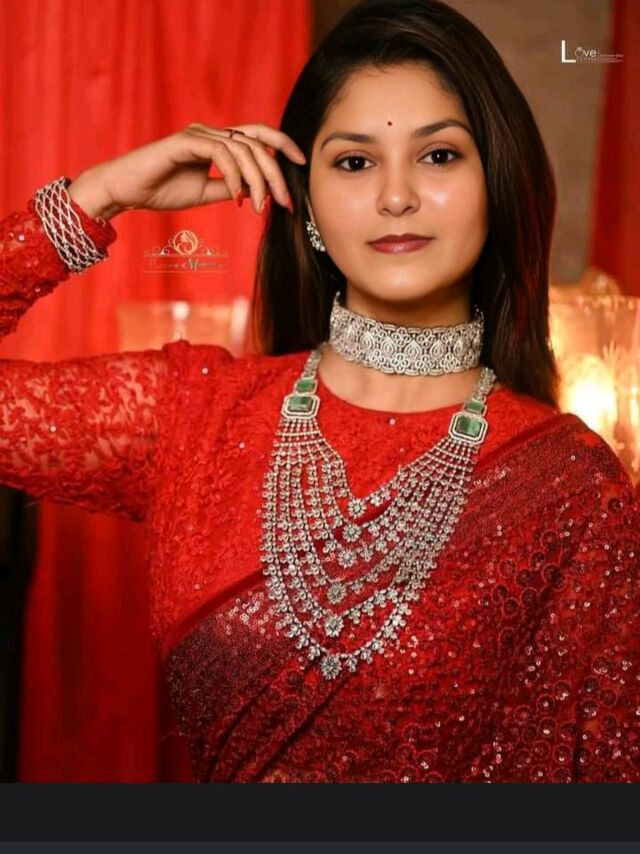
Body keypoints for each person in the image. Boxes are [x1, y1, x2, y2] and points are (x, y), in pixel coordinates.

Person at [1, 0, 638, 783]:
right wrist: (96, 198)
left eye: (439, 156)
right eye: (354, 162)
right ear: (305, 206)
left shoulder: (569, 487)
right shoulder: (194, 416)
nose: (396, 196)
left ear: (495, 185)